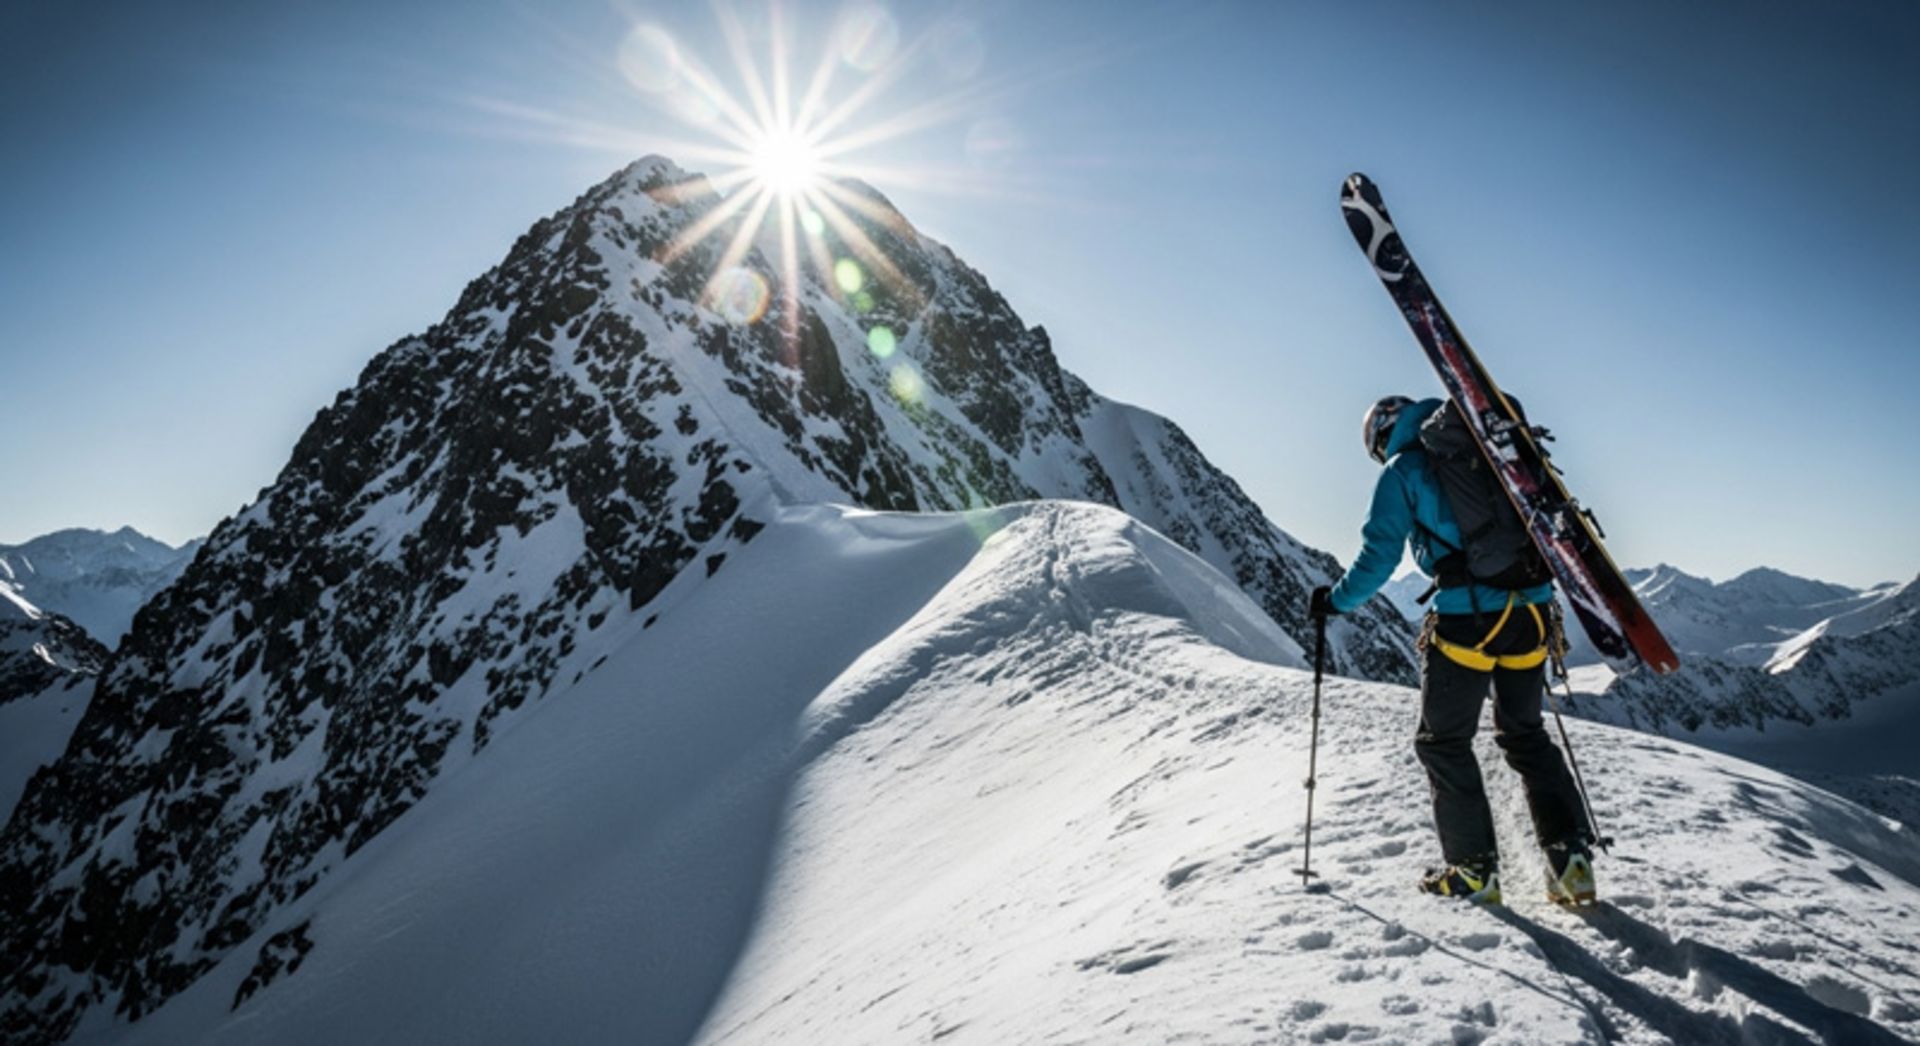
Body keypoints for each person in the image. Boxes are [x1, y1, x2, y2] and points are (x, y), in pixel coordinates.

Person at [1309, 394, 1594, 906]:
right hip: (1533, 614)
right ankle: (1571, 862)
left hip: (1468, 621)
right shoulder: (1489, 448)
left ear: (1381, 437)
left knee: (1443, 743)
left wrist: (1334, 601)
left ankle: (1472, 871)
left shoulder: (1402, 469)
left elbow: (1379, 556)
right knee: (1526, 734)